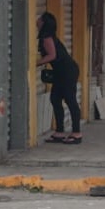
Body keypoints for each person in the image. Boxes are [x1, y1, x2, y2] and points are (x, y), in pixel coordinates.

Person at [37, 11, 82, 144]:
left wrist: (35, 63)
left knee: (70, 100)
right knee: (55, 99)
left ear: (44, 23)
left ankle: (76, 133)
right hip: (61, 72)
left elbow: (52, 55)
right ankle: (60, 132)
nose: (37, 20)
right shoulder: (46, 36)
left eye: (39, 18)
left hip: (67, 71)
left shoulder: (47, 38)